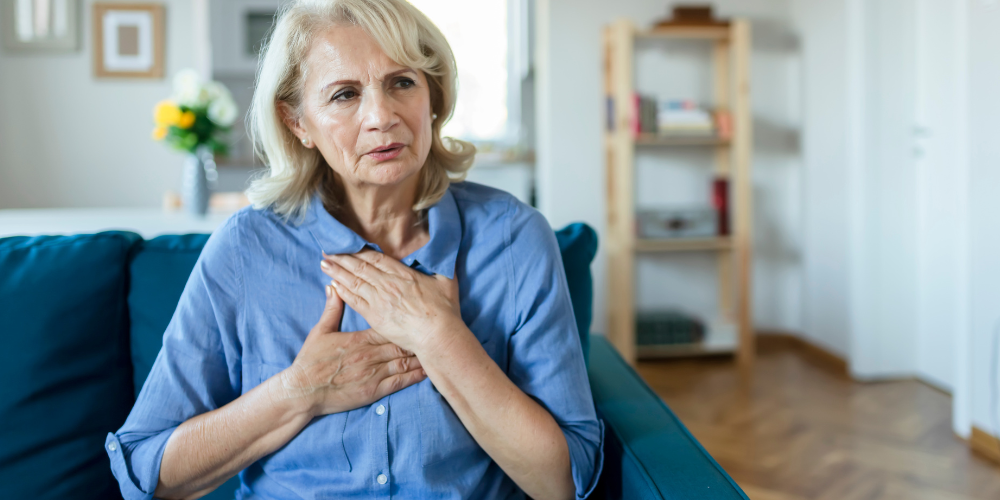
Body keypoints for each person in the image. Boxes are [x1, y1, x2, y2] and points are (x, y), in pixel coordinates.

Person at [106, 1, 603, 499]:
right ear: (297, 121)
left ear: (433, 93)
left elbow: (562, 482)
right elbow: (148, 473)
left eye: (402, 82)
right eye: (345, 94)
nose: (381, 117)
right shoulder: (245, 250)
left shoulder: (515, 239)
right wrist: (300, 391)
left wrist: (440, 338)